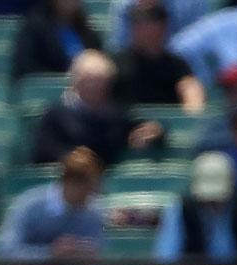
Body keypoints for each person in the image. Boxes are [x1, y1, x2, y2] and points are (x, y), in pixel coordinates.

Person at [32, 49, 163, 166]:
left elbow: (145, 129)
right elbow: (44, 150)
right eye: (90, 80)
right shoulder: (56, 116)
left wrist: (154, 130)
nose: (96, 87)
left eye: (102, 81)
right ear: (76, 81)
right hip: (72, 180)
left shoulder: (116, 115)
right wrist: (73, 158)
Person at [0, 146, 106, 259]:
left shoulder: (92, 214)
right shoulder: (29, 206)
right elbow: (6, 251)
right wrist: (50, 254)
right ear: (71, 183)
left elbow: (99, 252)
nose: (92, 195)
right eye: (88, 189)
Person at [155, 151, 237, 261]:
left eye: (217, 199)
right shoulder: (179, 209)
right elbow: (166, 258)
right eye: (207, 200)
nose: (212, 203)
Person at [113, 0, 203, 112]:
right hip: (124, 127)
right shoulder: (117, 63)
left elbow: (190, 90)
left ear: (163, 26)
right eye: (135, 21)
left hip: (167, 128)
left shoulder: (176, 65)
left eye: (148, 20)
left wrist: (192, 112)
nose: (139, 27)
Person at [12, 0, 103, 81]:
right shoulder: (34, 27)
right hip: (49, 91)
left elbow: (98, 57)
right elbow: (27, 66)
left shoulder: (86, 28)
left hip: (87, 92)